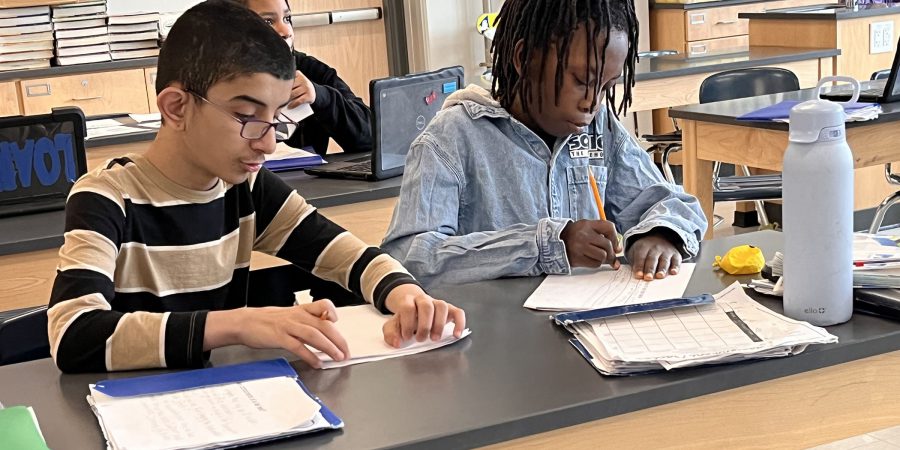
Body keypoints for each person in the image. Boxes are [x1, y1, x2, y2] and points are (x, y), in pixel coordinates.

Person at [46, 0, 464, 374]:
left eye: (277, 117)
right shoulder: (107, 197)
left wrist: (406, 294)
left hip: (230, 402)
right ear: (177, 107)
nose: (268, 142)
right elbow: (74, 335)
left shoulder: (246, 188)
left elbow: (352, 257)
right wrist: (242, 323)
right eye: (247, 116)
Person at [381, 0, 708, 289]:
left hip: (586, 330)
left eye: (607, 86)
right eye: (581, 81)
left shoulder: (599, 129)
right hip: (494, 340)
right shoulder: (452, 138)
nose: (592, 102)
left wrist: (661, 234)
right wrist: (547, 244)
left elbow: (671, 203)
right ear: (524, 59)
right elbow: (409, 259)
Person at [229, 0, 372, 156]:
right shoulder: (220, 78)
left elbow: (370, 137)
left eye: (287, 19)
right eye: (268, 21)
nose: (286, 31)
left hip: (308, 178)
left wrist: (321, 97)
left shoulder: (310, 71)